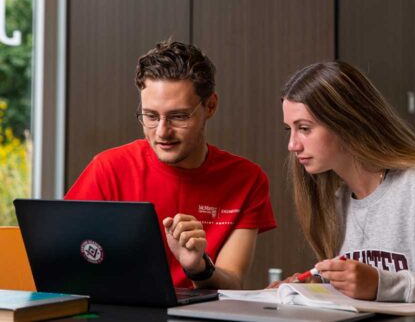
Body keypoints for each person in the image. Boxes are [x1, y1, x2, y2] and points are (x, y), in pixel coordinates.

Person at [65, 40, 276, 289]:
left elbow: (233, 282)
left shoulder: (246, 179)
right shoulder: (108, 168)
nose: (162, 132)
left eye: (178, 116)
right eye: (151, 116)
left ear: (210, 106)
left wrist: (198, 267)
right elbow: (65, 260)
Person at [279, 60, 415, 314]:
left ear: (346, 121)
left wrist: (383, 284)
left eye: (304, 128)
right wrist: (315, 287)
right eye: (289, 130)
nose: (293, 145)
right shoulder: (337, 201)